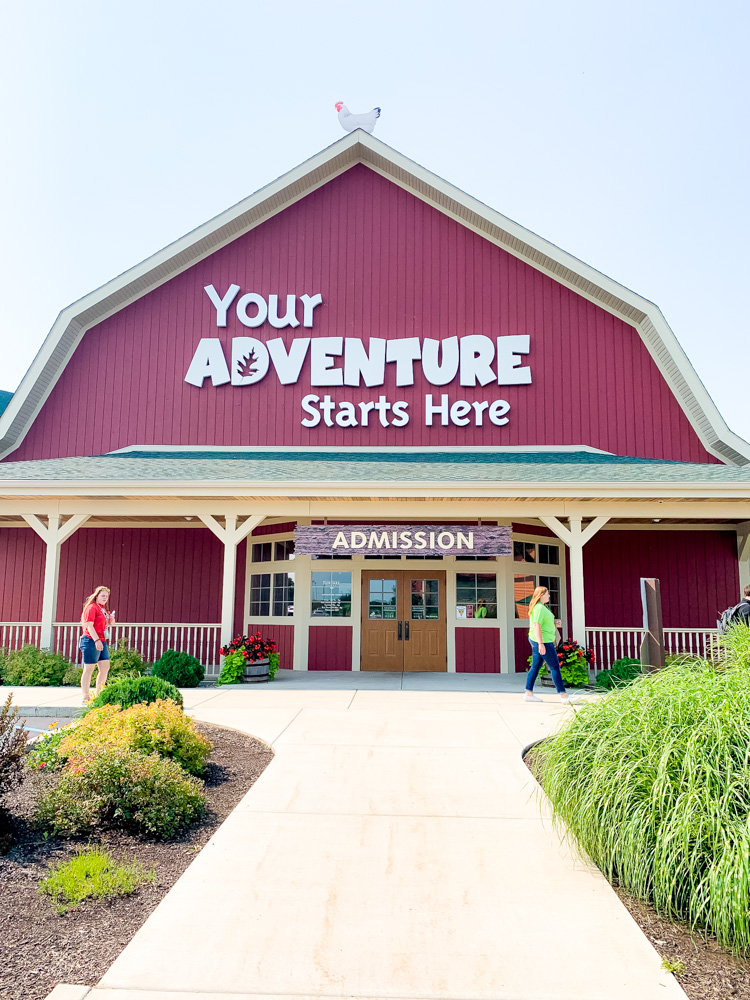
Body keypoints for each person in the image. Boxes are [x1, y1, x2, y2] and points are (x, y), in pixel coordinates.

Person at [524, 585, 577, 705]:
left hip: (542, 640)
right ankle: (564, 696)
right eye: (547, 593)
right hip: (543, 641)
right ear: (541, 595)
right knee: (554, 666)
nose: (549, 595)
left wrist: (554, 624)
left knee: (536, 667)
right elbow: (536, 625)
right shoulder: (539, 608)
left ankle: (528, 693)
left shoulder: (543, 607)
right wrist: (541, 643)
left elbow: (543, 624)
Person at [79, 585, 115, 704]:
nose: (105, 598)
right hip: (91, 640)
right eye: (102, 595)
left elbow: (106, 624)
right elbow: (89, 625)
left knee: (105, 666)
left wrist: (111, 621)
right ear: (97, 596)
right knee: (89, 668)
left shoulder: (103, 609)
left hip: (102, 640)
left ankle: (99, 694)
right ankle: (85, 696)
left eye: (106, 596)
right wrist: (96, 641)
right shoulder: (92, 607)